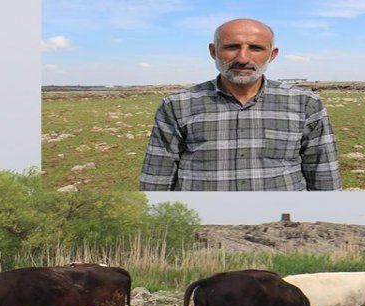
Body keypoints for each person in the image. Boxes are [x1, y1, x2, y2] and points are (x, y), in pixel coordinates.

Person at [139, 18, 340, 191]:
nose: (243, 58)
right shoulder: (177, 104)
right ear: (213, 51)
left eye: (256, 48)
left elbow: (324, 173)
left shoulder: (305, 103)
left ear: (272, 54)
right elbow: (157, 175)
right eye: (231, 47)